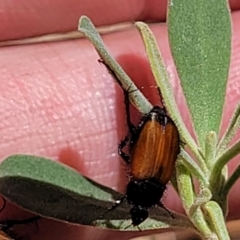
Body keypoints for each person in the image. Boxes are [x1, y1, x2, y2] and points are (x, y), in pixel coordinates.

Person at [0, 1, 240, 239]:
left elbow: (167, 158)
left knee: (129, 146)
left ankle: (133, 100)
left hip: (162, 133)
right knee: (125, 148)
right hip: (158, 131)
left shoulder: (158, 180)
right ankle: (132, 100)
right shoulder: (141, 176)